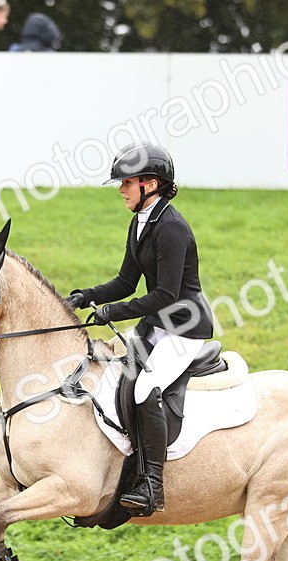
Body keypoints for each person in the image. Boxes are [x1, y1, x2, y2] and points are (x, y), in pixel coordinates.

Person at [65, 143, 214, 517]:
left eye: (127, 182)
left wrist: (113, 311)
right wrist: (87, 296)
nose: (121, 189)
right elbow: (127, 281)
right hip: (158, 323)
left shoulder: (173, 229)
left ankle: (152, 484)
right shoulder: (141, 221)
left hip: (185, 328)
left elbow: (166, 295)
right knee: (111, 375)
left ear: (151, 183)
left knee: (146, 387)